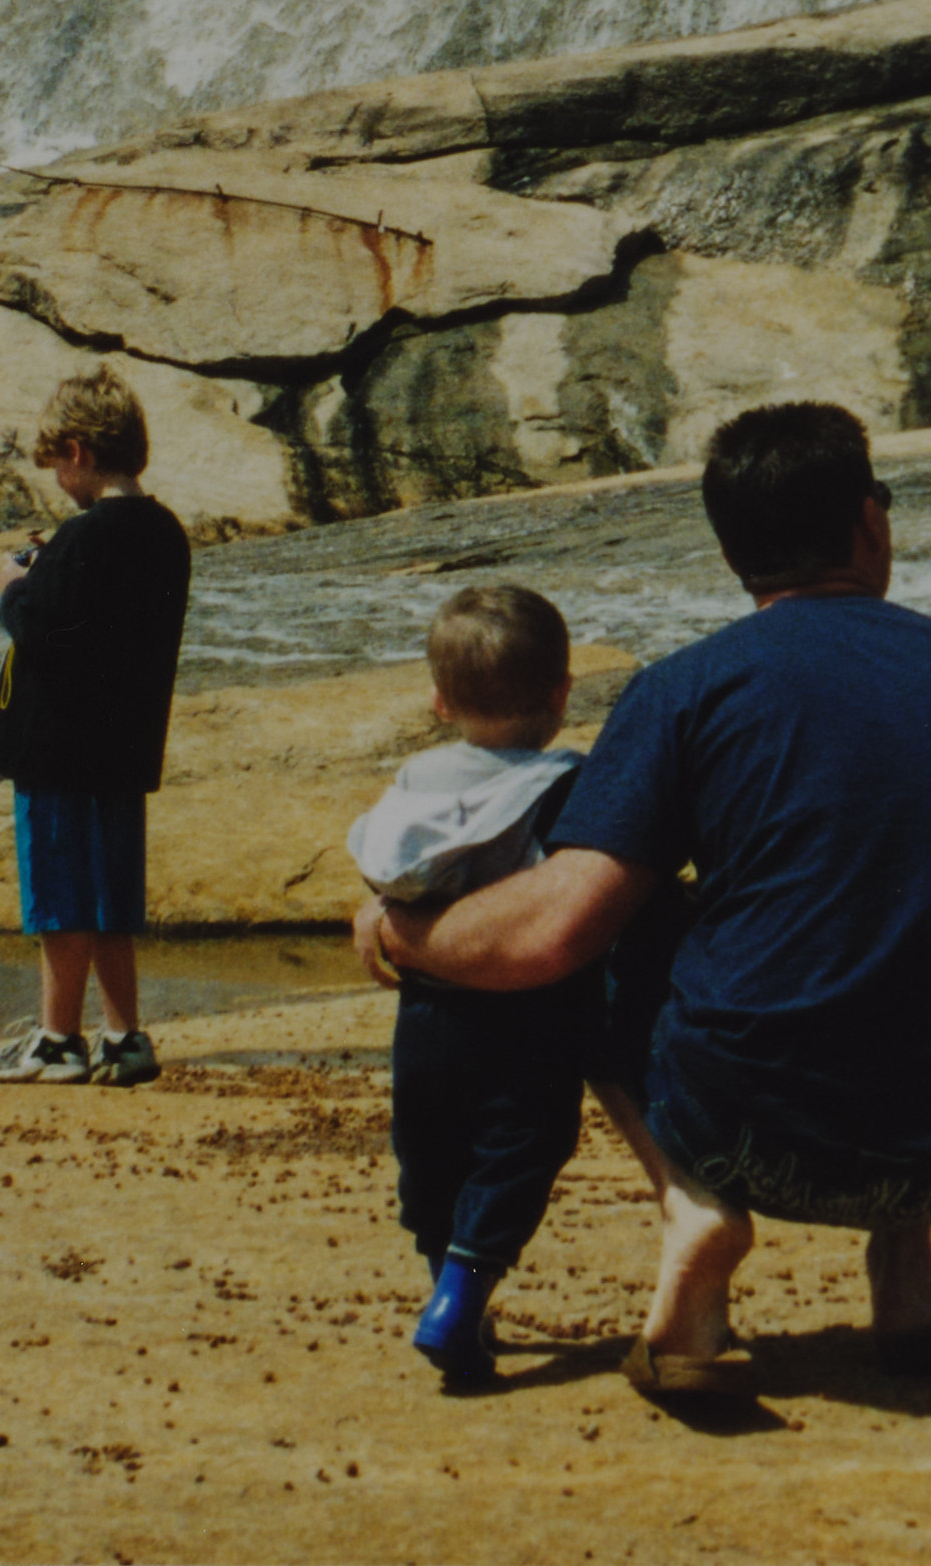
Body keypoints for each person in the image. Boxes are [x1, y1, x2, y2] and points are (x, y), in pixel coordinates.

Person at [352, 399, 931, 1402]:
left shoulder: (685, 690)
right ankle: (908, 1284)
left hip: (753, 1138)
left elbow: (551, 932)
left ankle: (691, 1211)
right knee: (917, 894)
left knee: (643, 916)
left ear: (732, 551)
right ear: (869, 521)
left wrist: (402, 929)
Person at [344, 583, 598, 1390]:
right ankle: (460, 1296)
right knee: (521, 1146)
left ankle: (447, 1292)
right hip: (531, 1013)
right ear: (561, 692)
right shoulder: (566, 784)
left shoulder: (416, 781)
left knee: (432, 1149)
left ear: (439, 701)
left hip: (426, 1013)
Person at [0, 370, 192, 1088]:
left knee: (59, 895)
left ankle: (58, 1038)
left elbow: (42, 629)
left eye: (57, 467)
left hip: (58, 750)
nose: (59, 483)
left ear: (77, 451)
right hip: (123, 748)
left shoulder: (82, 537)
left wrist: (14, 587)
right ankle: (125, 1036)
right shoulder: (165, 534)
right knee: (112, 896)